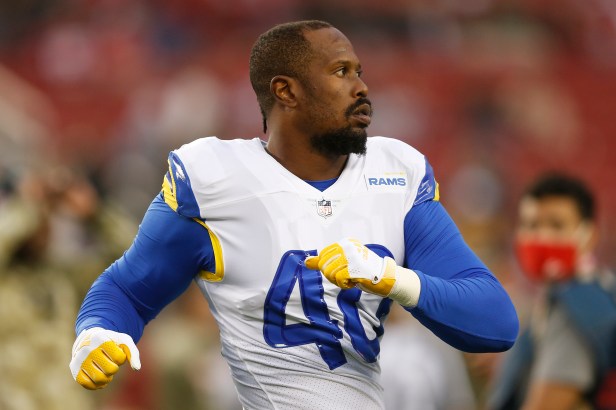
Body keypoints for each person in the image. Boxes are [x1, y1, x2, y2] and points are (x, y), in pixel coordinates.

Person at [69, 20, 519, 409]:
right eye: (341, 72)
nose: (361, 87)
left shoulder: (395, 174)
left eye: (359, 72)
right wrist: (98, 332)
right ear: (286, 91)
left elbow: (496, 321)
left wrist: (392, 280)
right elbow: (127, 289)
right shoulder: (214, 179)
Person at [487, 173, 616, 410]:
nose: (541, 236)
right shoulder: (591, 290)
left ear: (590, 235)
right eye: (531, 225)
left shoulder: (575, 308)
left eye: (557, 225)